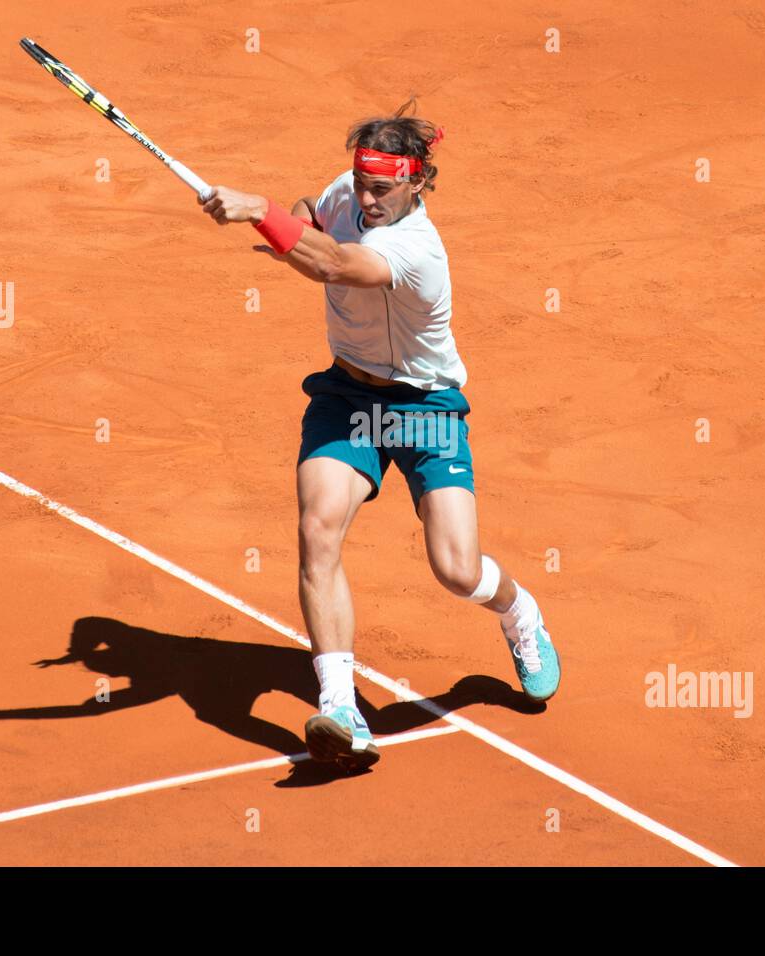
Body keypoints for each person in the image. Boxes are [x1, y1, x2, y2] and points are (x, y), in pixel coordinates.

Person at [198, 100, 559, 772]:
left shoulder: (415, 248)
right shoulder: (351, 193)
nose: (366, 198)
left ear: (418, 182)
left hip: (425, 407)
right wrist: (294, 221)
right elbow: (319, 211)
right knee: (318, 527)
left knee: (455, 569)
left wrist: (258, 210)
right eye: (361, 182)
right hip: (348, 395)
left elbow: (335, 265)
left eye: (383, 189)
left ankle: (518, 613)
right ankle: (340, 707)